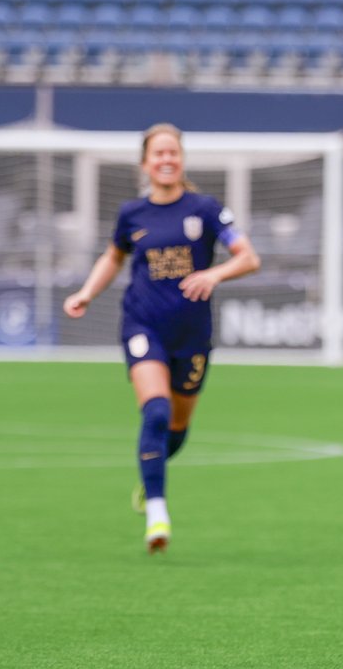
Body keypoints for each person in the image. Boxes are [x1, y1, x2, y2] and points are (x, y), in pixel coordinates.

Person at [63, 123, 261, 554]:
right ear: (145, 163)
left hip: (192, 335)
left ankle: (149, 471)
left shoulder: (206, 209)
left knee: (176, 427)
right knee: (155, 412)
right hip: (142, 325)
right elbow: (114, 256)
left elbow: (248, 257)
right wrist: (86, 293)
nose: (167, 160)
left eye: (173, 153)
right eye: (159, 154)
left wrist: (214, 272)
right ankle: (157, 512)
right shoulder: (132, 214)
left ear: (182, 159)